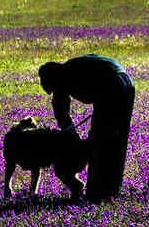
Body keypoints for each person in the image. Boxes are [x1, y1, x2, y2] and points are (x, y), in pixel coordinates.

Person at [38, 54, 135, 204]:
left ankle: (97, 192)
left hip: (113, 85)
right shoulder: (66, 71)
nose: (55, 90)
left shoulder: (65, 75)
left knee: (100, 139)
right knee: (116, 137)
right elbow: (61, 110)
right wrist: (71, 134)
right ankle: (110, 190)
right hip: (125, 83)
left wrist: (71, 136)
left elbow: (61, 110)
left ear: (54, 78)